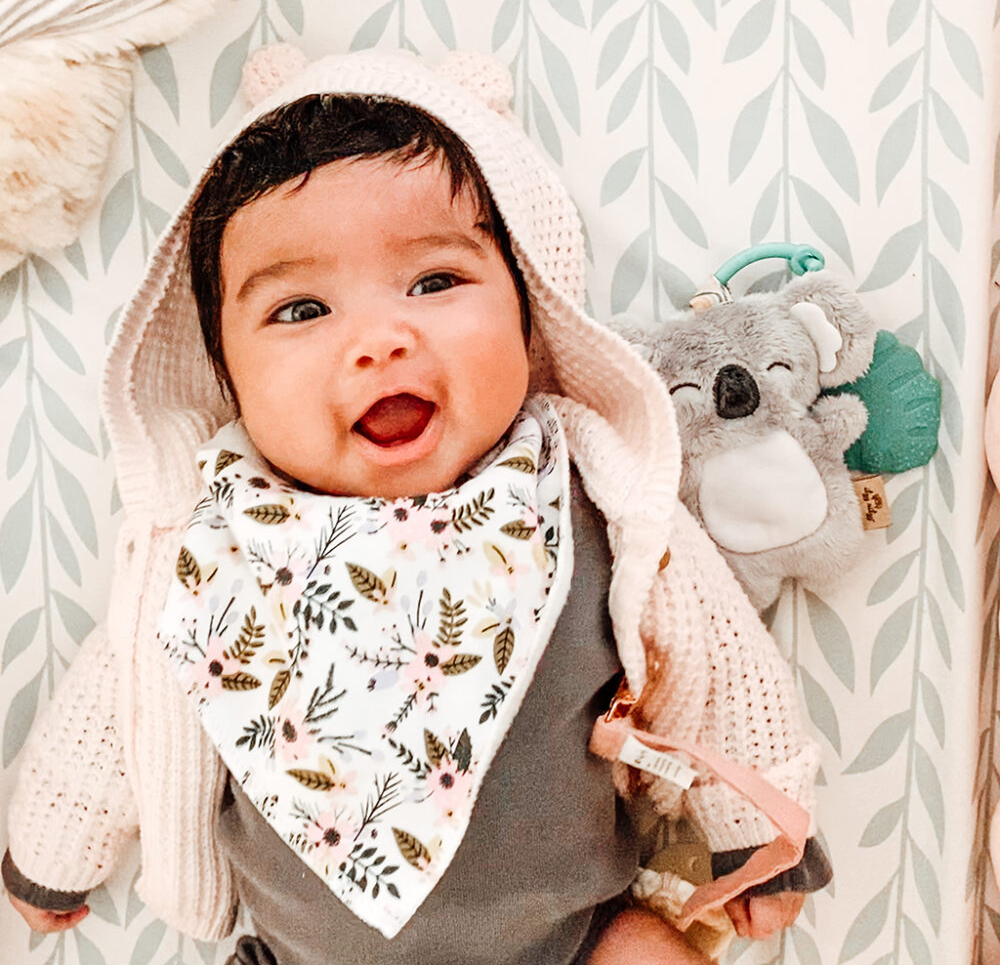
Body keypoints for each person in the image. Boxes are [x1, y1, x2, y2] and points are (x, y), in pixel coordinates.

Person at [3, 50, 830, 964]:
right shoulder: (209, 546)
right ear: (225, 373)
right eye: (300, 309)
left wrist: (754, 832)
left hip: (576, 941)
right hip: (295, 954)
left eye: (435, 284)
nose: (379, 341)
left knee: (648, 952)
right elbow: (117, 701)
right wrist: (56, 845)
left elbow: (723, 660)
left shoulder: (590, 497)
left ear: (529, 311)